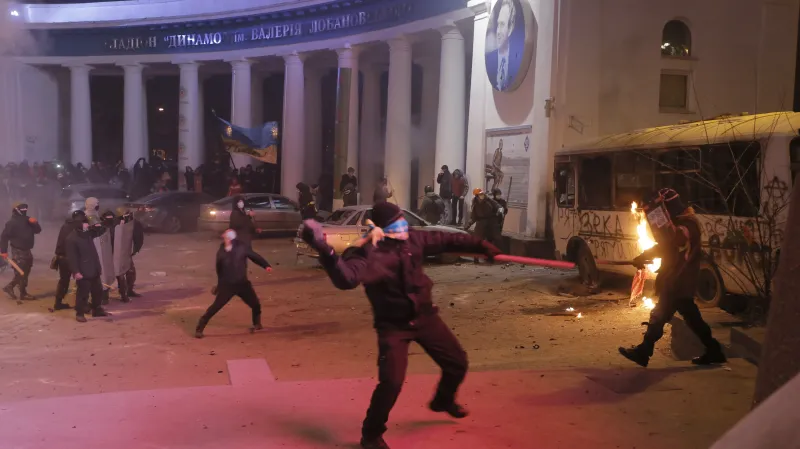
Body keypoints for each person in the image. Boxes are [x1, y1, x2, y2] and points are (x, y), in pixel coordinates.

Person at [300, 201, 501, 449]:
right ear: (385, 227)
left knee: (457, 362)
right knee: (391, 382)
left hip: (425, 317)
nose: (404, 225)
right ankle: (371, 435)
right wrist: (325, 250)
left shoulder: (412, 239)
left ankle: (442, 400)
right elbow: (346, 278)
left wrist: (481, 245)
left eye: (403, 219)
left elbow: (446, 239)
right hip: (393, 326)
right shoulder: (368, 251)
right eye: (398, 222)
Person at [619, 188, 727, 367]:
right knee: (692, 318)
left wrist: (662, 222)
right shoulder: (680, 223)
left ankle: (644, 351)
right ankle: (714, 350)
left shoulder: (688, 225)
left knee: (659, 315)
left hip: (679, 280)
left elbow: (675, 239)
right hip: (677, 280)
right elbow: (665, 247)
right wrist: (643, 257)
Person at [195, 229, 272, 338]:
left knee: (255, 304)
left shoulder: (242, 247)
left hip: (242, 284)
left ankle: (257, 324)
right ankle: (200, 328)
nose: (224, 239)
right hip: (228, 286)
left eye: (226, 238)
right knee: (215, 307)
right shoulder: (221, 251)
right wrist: (220, 285)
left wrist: (265, 265)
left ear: (231, 239)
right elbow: (219, 270)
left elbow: (254, 256)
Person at [65, 214, 109, 322]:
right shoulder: (71, 238)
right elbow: (71, 257)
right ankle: (80, 313)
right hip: (83, 271)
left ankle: (97, 310)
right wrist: (76, 271)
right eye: (85, 223)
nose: (87, 225)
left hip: (94, 268)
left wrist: (100, 225)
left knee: (97, 291)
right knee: (83, 294)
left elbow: (101, 231)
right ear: (78, 224)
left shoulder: (88, 234)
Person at [0, 203, 42, 301]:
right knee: (21, 271)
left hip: (27, 249)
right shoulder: (11, 223)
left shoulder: (28, 220)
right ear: (16, 210)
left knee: (27, 269)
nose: (24, 211)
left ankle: (16, 290)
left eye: (25, 209)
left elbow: (38, 230)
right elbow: (4, 237)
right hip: (17, 250)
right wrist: (4, 251)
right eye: (22, 209)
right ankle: (17, 290)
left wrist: (35, 223)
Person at [53, 210, 86, 311]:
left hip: (62, 258)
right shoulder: (80, 227)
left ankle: (58, 303)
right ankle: (82, 305)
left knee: (64, 281)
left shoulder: (65, 225)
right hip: (73, 258)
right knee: (82, 281)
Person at [486, 0, 522, 91]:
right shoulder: (490, 59)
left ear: (510, 28)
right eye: (498, 25)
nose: (498, 31)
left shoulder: (517, 59)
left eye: (502, 25)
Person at [100, 210, 130, 303]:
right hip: (115, 254)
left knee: (107, 276)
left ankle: (105, 297)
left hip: (108, 255)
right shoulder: (118, 226)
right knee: (118, 275)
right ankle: (123, 296)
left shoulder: (102, 227)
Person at [125, 212, 145, 298]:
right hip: (120, 252)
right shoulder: (134, 223)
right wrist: (136, 249)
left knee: (129, 272)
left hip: (123, 252)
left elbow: (139, 237)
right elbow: (139, 238)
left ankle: (128, 290)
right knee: (129, 272)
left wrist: (135, 249)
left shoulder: (134, 224)